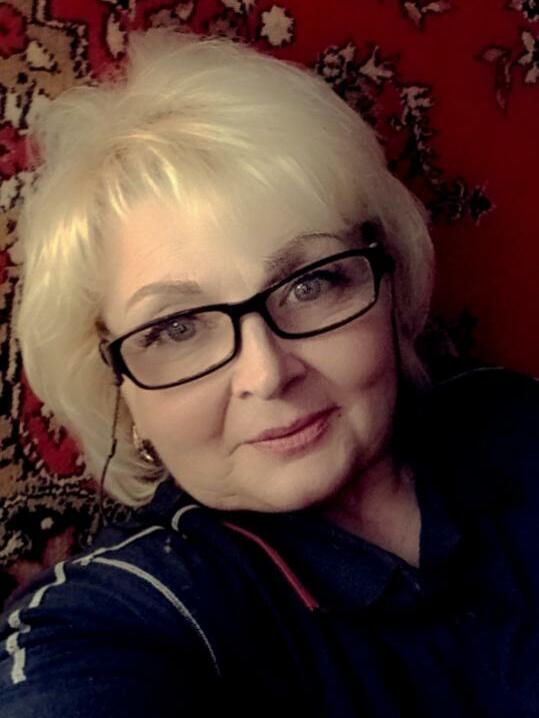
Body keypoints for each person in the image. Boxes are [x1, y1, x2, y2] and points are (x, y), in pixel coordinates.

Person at [1, 29, 538, 718]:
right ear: (119, 389)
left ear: (386, 282)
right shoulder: (113, 619)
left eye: (310, 284)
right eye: (177, 327)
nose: (267, 372)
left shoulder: (510, 417)